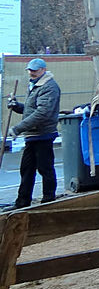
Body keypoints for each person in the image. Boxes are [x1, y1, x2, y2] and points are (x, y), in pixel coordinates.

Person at [7, 58, 60, 209]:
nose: (31, 73)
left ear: (43, 70)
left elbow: (42, 113)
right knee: (27, 169)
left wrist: (18, 128)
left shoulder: (49, 87)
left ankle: (48, 202)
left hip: (43, 134)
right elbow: (31, 110)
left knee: (45, 169)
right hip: (32, 135)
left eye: (35, 70)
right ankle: (22, 203)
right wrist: (16, 106)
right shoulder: (35, 85)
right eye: (30, 70)